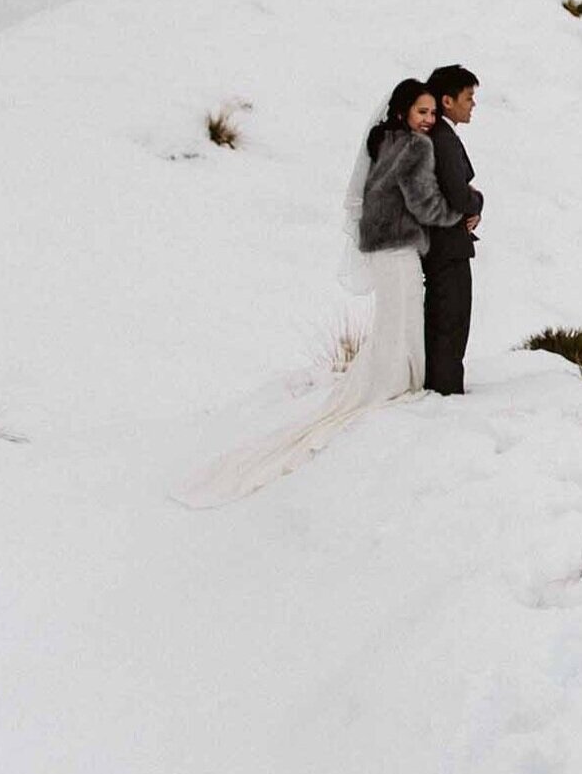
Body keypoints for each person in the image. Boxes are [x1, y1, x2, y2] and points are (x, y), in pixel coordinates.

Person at [175, 79, 473, 507]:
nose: (429, 120)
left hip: (380, 248)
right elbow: (425, 205)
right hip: (401, 248)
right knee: (403, 315)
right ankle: (394, 384)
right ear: (405, 111)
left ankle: (390, 379)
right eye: (423, 112)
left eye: (431, 114)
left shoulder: (384, 142)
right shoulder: (415, 148)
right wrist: (465, 209)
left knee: (394, 316)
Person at [421, 64, 483, 395]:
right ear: (448, 101)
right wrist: (477, 204)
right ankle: (445, 392)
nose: (472, 104)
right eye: (468, 97)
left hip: (442, 245)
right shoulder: (442, 139)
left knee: (446, 319)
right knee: (452, 320)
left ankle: (441, 387)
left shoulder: (437, 135)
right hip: (448, 247)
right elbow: (459, 194)